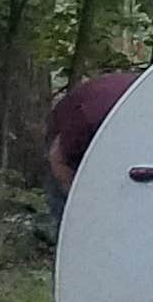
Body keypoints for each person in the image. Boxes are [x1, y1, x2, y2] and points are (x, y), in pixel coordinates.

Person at [45, 67, 141, 230]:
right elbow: (58, 160)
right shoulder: (86, 119)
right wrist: (82, 205)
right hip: (69, 149)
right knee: (73, 222)